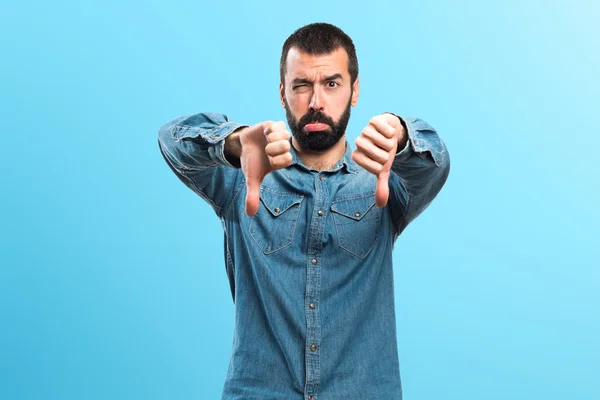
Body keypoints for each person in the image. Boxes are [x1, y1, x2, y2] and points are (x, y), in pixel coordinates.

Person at [158, 22, 450, 400]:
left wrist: (403, 136)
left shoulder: (384, 183)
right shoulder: (243, 177)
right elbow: (171, 139)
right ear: (282, 92)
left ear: (354, 91)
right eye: (301, 85)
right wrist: (231, 145)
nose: (316, 101)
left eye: (331, 84)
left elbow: (435, 164)